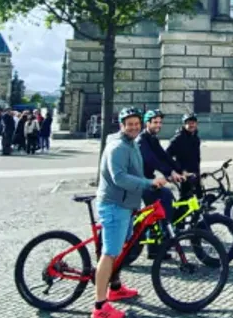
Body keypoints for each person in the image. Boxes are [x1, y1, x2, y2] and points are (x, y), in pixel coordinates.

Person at [92, 107, 168, 318]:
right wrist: (148, 182)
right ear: (122, 125)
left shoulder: (131, 143)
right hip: (115, 205)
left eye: (136, 123)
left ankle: (115, 288)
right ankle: (99, 307)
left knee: (122, 248)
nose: (134, 127)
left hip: (126, 205)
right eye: (130, 124)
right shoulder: (118, 147)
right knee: (109, 253)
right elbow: (120, 178)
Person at [137, 110, 184, 258]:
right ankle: (165, 235)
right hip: (140, 181)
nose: (158, 125)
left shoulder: (152, 138)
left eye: (160, 122)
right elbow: (152, 160)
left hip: (148, 179)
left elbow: (164, 156)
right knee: (166, 197)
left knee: (157, 208)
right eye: (155, 122)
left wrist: (180, 171)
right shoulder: (141, 140)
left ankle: (154, 249)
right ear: (147, 123)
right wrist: (169, 173)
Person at [166, 113, 202, 201]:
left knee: (199, 199)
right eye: (189, 123)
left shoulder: (196, 138)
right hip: (184, 175)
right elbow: (166, 156)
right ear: (184, 124)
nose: (191, 125)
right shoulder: (178, 139)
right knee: (185, 200)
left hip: (195, 173)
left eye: (193, 122)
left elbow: (196, 157)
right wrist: (180, 170)